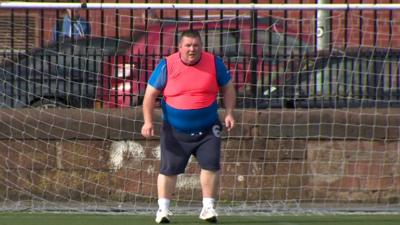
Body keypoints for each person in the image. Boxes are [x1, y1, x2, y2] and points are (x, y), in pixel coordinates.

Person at [141, 30, 236, 224]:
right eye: (188, 45)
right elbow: (150, 95)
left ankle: (208, 208)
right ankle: (163, 210)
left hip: (208, 129)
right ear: (180, 47)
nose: (192, 49)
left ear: (201, 46)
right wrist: (148, 121)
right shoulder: (166, 64)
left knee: (211, 165)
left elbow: (227, 88)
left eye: (196, 45)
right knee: (168, 169)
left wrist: (229, 113)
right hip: (175, 130)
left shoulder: (214, 63)